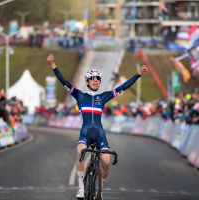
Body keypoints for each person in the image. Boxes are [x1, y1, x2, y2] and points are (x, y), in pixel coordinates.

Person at [47, 54, 148, 199]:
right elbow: (64, 81)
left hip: (100, 134)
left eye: (98, 79)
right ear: (87, 82)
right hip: (85, 133)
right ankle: (81, 188)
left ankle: (99, 188)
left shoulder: (104, 96)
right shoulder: (79, 95)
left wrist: (138, 75)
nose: (95, 80)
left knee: (106, 162)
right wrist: (53, 65)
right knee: (80, 152)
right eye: (92, 78)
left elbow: (123, 87)